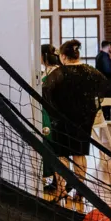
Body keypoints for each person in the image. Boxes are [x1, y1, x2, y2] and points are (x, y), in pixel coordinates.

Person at [42, 40, 109, 202]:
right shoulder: (92, 72)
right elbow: (105, 88)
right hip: (83, 120)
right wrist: (91, 108)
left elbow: (46, 95)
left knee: (62, 155)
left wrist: (54, 115)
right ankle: (80, 192)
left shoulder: (58, 74)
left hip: (61, 120)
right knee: (80, 154)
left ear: (63, 56)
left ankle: (61, 190)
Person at [40, 44, 62, 192]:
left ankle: (58, 182)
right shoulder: (47, 72)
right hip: (45, 112)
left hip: (52, 114)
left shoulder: (56, 73)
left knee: (54, 147)